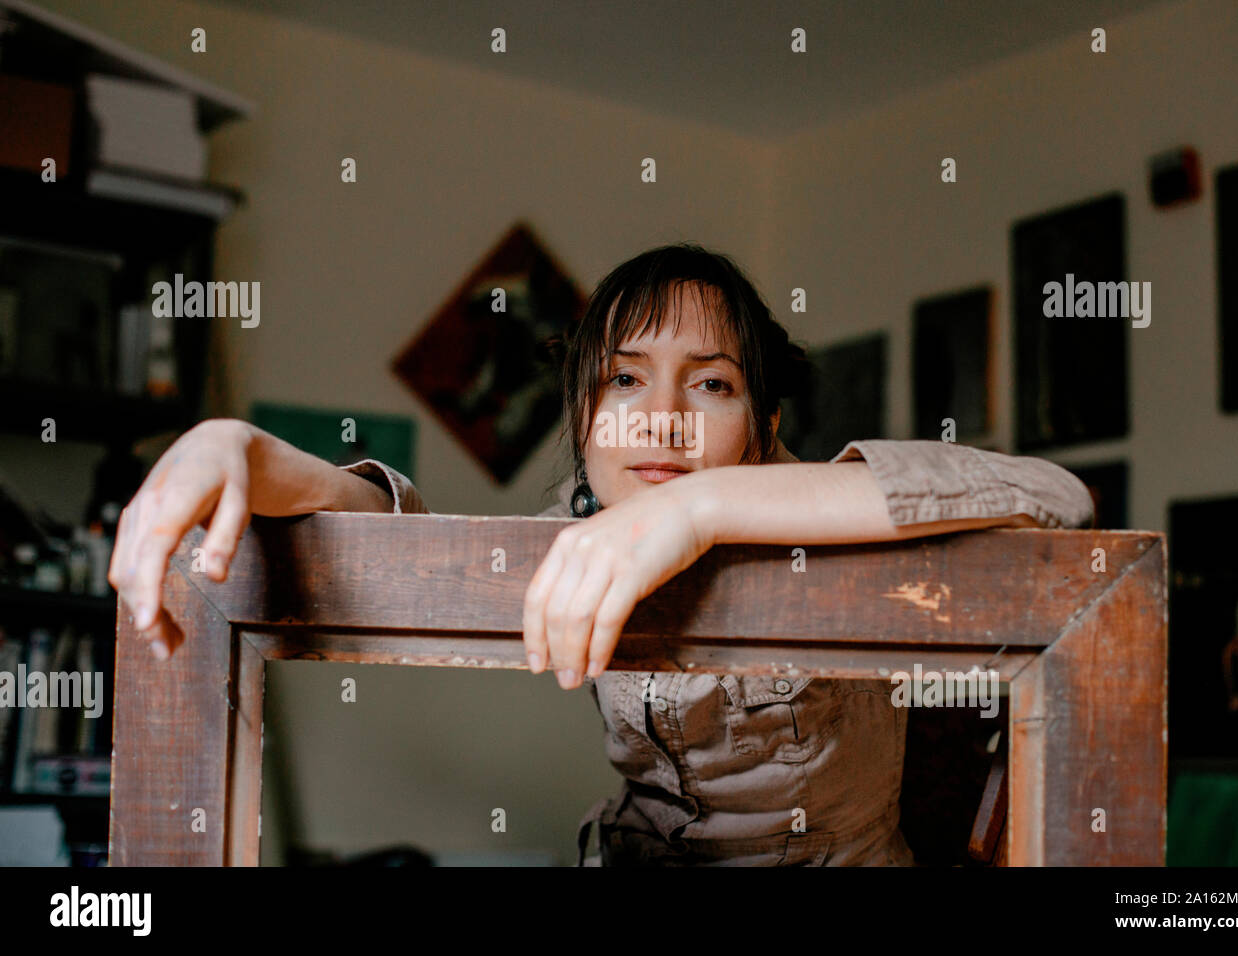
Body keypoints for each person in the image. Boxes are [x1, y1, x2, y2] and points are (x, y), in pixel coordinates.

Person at [108, 243, 1095, 866]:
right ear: (583, 420)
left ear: (765, 422)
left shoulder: (827, 523)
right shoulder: (578, 539)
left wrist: (703, 508)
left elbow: (1059, 497)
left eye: (708, 386)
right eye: (625, 380)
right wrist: (234, 445)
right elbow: (387, 532)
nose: (661, 417)